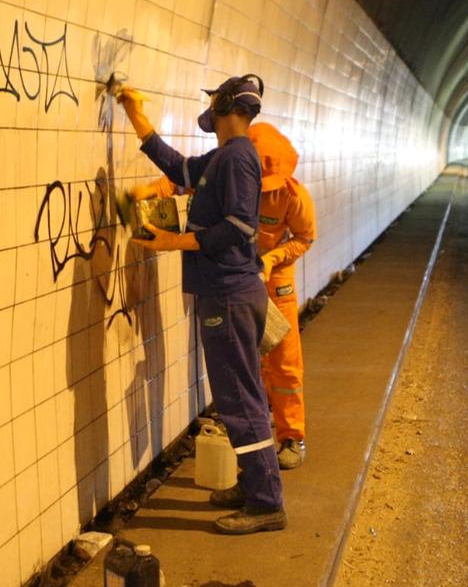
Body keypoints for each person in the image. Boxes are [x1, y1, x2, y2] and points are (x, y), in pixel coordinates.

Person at [118, 75, 286, 534]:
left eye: (214, 99)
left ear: (227, 104)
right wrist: (136, 117)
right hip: (228, 290)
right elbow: (181, 170)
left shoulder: (238, 158)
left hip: (228, 294)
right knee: (239, 395)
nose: (209, 106)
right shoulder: (226, 156)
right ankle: (256, 485)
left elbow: (237, 228)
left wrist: (174, 241)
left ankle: (266, 502)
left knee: (239, 399)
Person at [129, 123, 318, 469]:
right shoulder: (227, 172)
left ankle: (292, 436)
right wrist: (149, 192)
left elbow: (305, 238)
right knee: (246, 363)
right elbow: (180, 179)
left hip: (274, 282)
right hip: (233, 280)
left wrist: (273, 258)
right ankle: (258, 432)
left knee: (284, 363)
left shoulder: (292, 196)